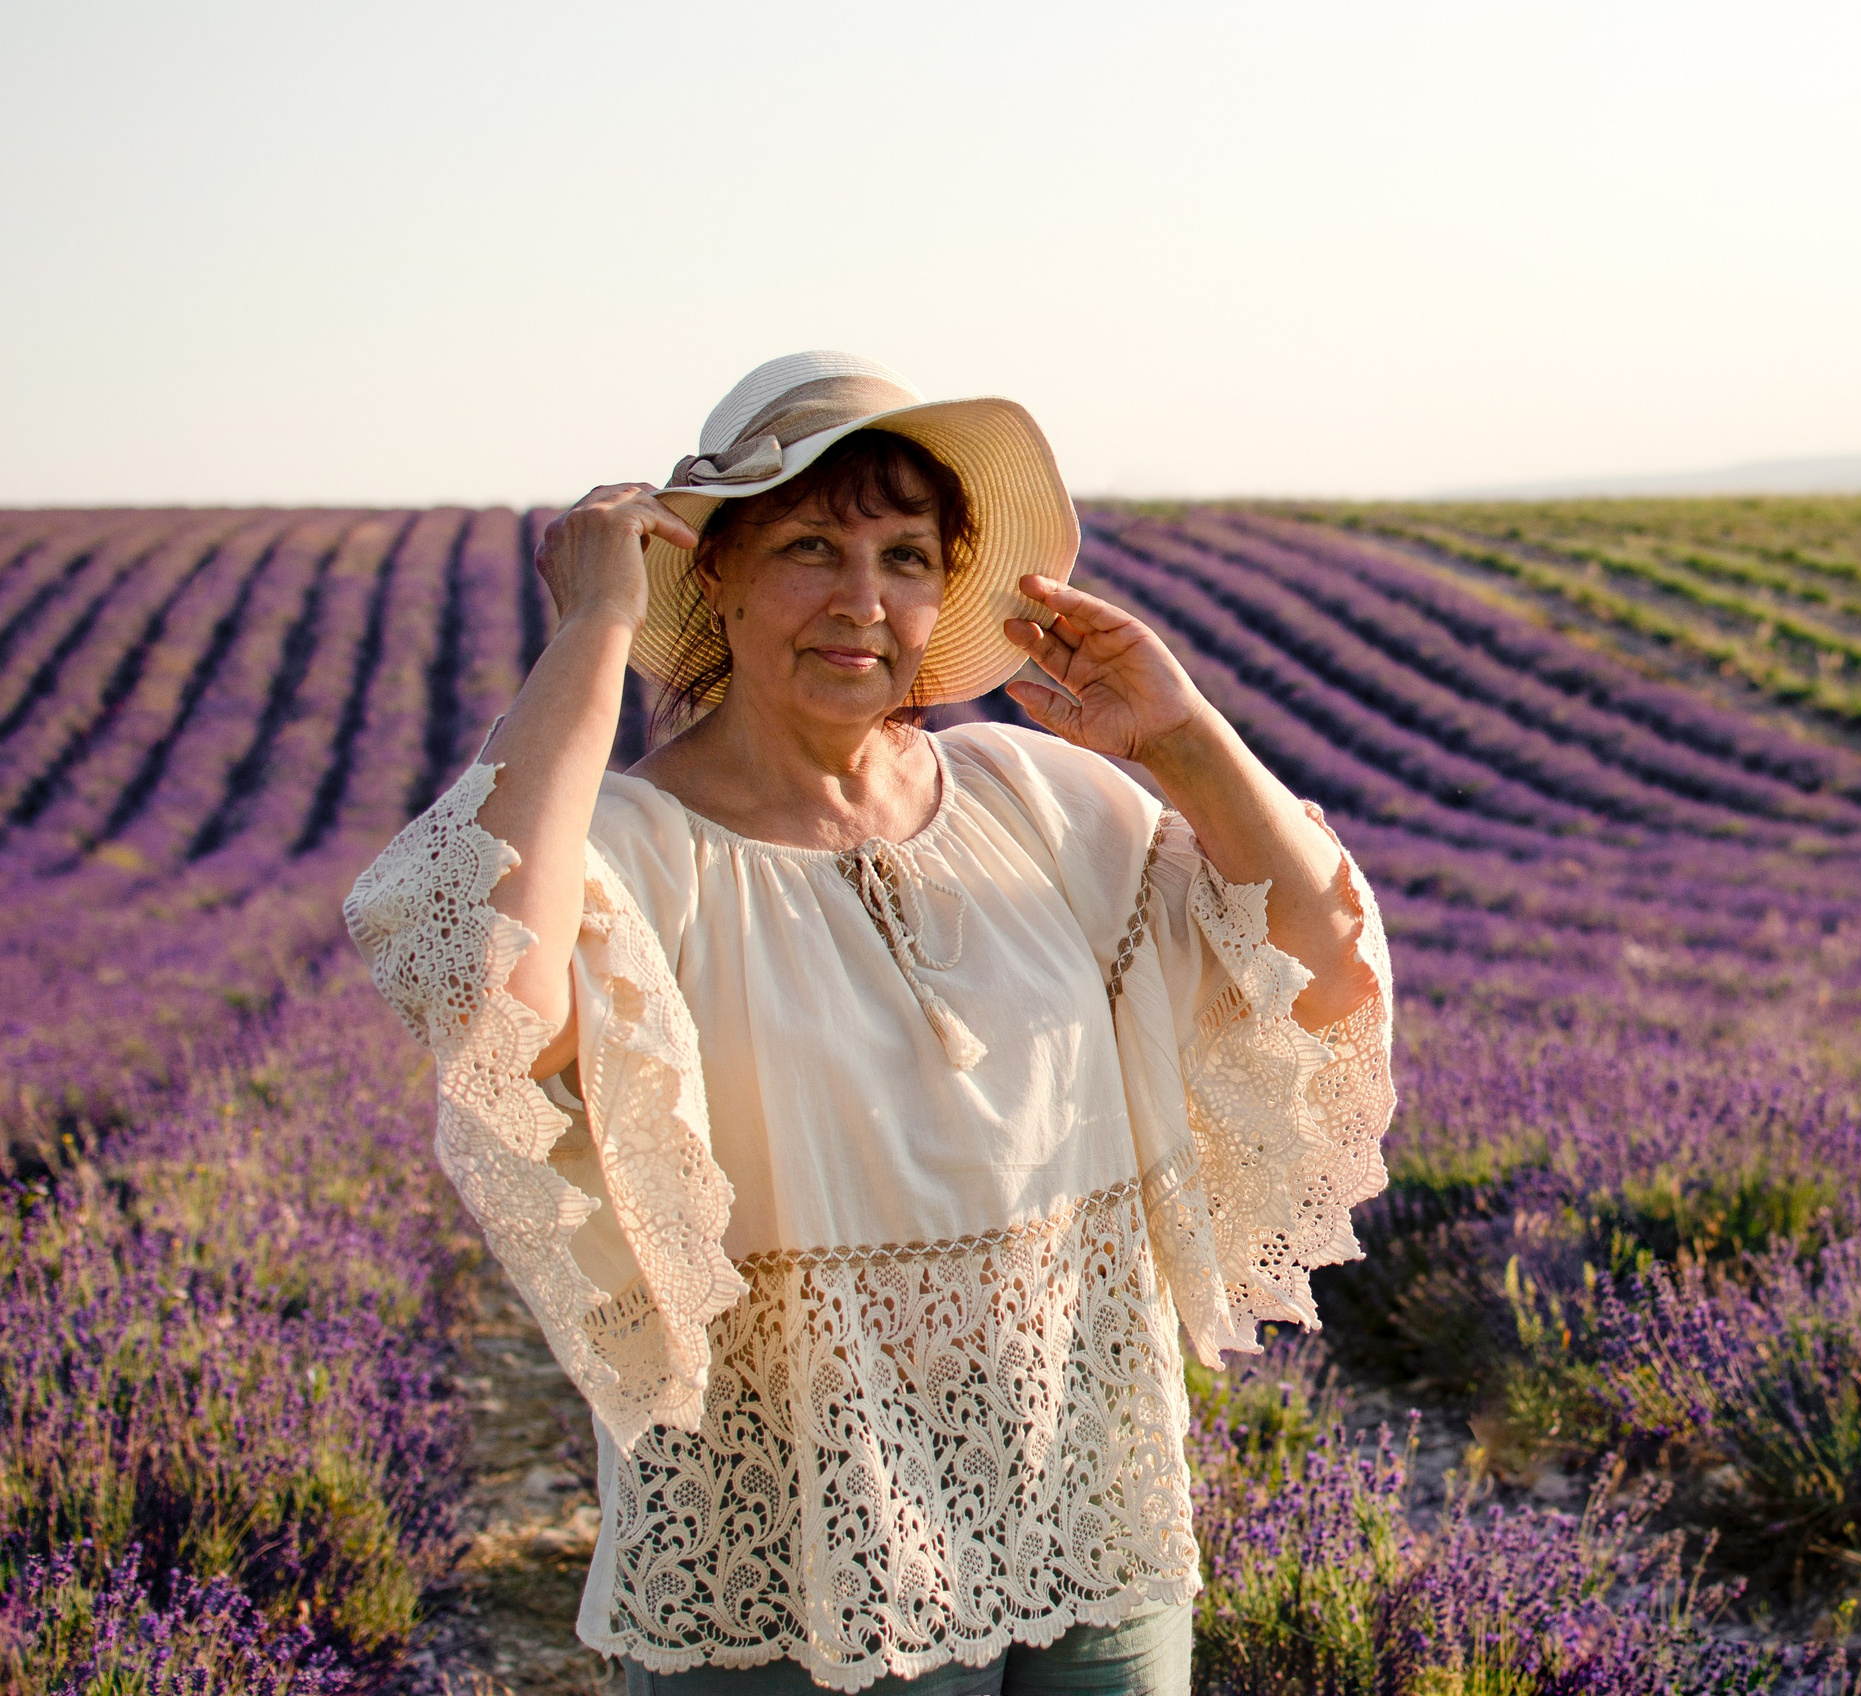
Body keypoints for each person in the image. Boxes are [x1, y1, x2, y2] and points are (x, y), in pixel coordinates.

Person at [344, 352, 1394, 1693]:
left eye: (907, 556)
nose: (863, 601)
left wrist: (1185, 737)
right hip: (802, 1556)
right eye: (808, 547)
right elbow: (486, 1001)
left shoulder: (1039, 800)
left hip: (1091, 1500)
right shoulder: (628, 856)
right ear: (710, 570)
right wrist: (594, 630)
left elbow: (1320, 978)